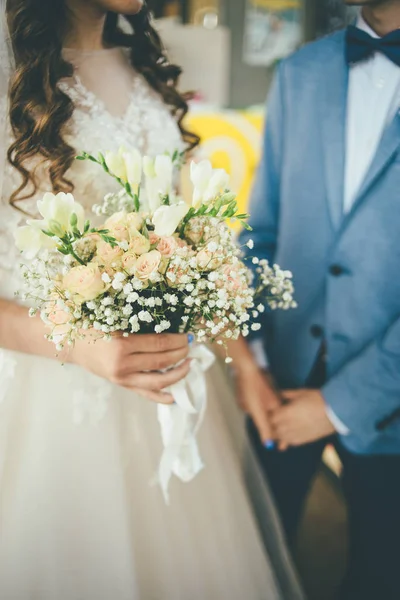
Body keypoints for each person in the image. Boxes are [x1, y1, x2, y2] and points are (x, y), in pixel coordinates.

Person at [0, 1, 304, 598]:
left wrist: (244, 366)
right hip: (48, 395)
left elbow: (196, 246)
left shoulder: (154, 65)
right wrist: (81, 348)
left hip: (169, 385)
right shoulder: (12, 83)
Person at [237, 1, 400, 599]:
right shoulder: (299, 72)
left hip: (390, 408)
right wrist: (251, 359)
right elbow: (261, 230)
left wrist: (337, 406)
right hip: (278, 379)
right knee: (254, 557)